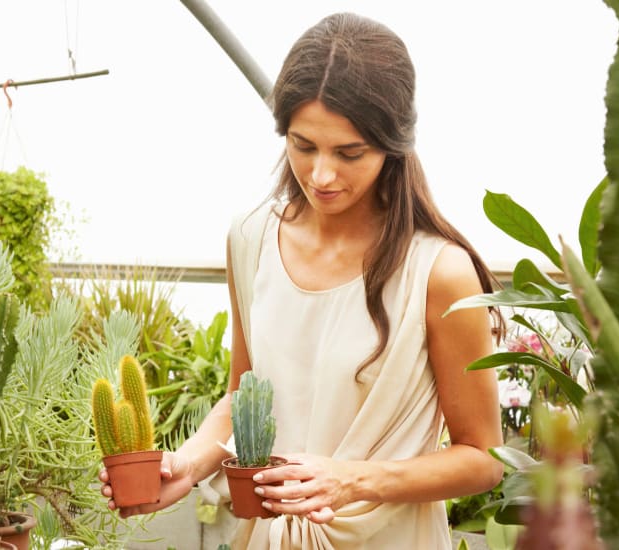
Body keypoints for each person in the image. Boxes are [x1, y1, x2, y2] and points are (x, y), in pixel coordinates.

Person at [100, 12, 504, 549]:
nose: (321, 175)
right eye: (303, 145)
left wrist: (351, 479)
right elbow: (245, 396)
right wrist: (188, 464)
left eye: (349, 152)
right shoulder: (250, 239)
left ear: (394, 144)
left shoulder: (438, 272)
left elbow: (483, 460)